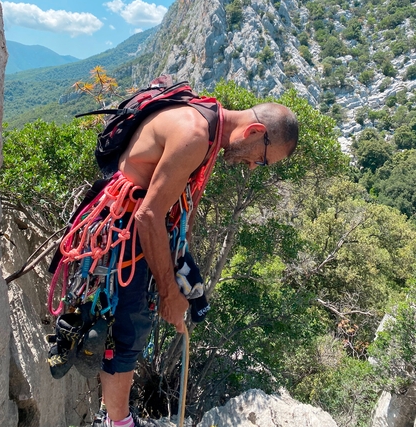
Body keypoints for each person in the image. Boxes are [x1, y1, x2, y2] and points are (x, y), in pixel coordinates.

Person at [95, 101, 298, 427]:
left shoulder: (211, 127)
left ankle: (114, 416)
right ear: (255, 132)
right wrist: (168, 293)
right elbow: (148, 217)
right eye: (261, 159)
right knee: (128, 333)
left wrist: (178, 271)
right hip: (126, 229)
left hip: (133, 224)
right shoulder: (194, 134)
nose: (253, 166)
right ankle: (117, 422)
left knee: (130, 331)